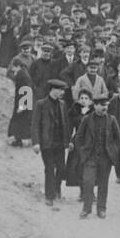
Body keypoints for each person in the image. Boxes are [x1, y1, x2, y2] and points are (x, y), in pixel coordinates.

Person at [74, 93, 120, 218]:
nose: (104, 108)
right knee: (88, 182)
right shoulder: (86, 119)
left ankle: (101, 209)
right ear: (94, 106)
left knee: (103, 184)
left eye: (105, 105)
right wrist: (82, 152)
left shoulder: (112, 120)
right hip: (90, 157)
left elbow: (118, 139)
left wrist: (113, 151)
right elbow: (78, 138)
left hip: (105, 158)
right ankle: (86, 208)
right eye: (101, 105)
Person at [33, 78, 71, 206]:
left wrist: (68, 141)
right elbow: (35, 125)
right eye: (60, 90)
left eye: (62, 90)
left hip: (59, 143)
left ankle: (57, 188)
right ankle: (49, 196)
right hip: (47, 143)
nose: (62, 92)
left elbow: (66, 124)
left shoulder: (62, 104)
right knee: (49, 168)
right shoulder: (41, 104)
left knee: (61, 168)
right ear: (52, 90)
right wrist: (36, 142)